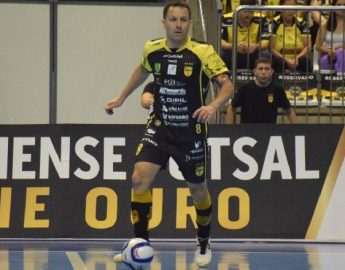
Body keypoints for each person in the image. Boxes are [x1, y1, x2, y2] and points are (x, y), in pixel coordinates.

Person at [105, 1, 233, 268]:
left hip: (191, 134)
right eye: (173, 19)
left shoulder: (202, 52)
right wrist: (121, 97)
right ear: (164, 22)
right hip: (160, 128)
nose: (178, 24)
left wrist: (212, 106)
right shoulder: (152, 49)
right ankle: (140, 245)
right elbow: (142, 70)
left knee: (198, 191)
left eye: (183, 20)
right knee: (139, 179)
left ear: (190, 23)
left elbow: (227, 86)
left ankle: (203, 240)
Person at [225, 57, 297, 124]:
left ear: (272, 72)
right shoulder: (245, 88)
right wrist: (230, 131)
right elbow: (231, 108)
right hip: (247, 133)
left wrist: (296, 130)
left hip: (269, 132)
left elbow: (289, 111)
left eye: (267, 69)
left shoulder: (278, 90)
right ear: (255, 71)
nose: (263, 72)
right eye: (260, 69)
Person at [221, 0, 270, 70]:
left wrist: (255, 46)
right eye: (245, 11)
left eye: (251, 12)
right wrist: (234, 46)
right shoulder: (226, 18)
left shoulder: (261, 19)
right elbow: (221, 42)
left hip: (252, 54)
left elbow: (265, 43)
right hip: (232, 53)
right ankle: (225, 78)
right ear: (239, 9)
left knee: (265, 55)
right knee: (221, 54)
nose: (249, 15)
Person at [270, 0, 312, 73]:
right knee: (279, 63)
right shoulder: (274, 22)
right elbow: (271, 48)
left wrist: (297, 58)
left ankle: (308, 84)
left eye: (292, 7)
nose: (290, 11)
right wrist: (286, 59)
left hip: (298, 57)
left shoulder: (302, 23)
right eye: (287, 7)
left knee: (305, 62)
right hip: (280, 57)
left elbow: (308, 45)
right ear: (280, 9)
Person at [315, 0, 345, 72]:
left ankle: (339, 79)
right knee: (327, 60)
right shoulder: (325, 25)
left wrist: (336, 50)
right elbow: (318, 46)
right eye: (339, 5)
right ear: (333, 7)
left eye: (344, 5)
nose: (342, 7)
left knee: (341, 54)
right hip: (327, 55)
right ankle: (339, 80)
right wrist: (330, 51)